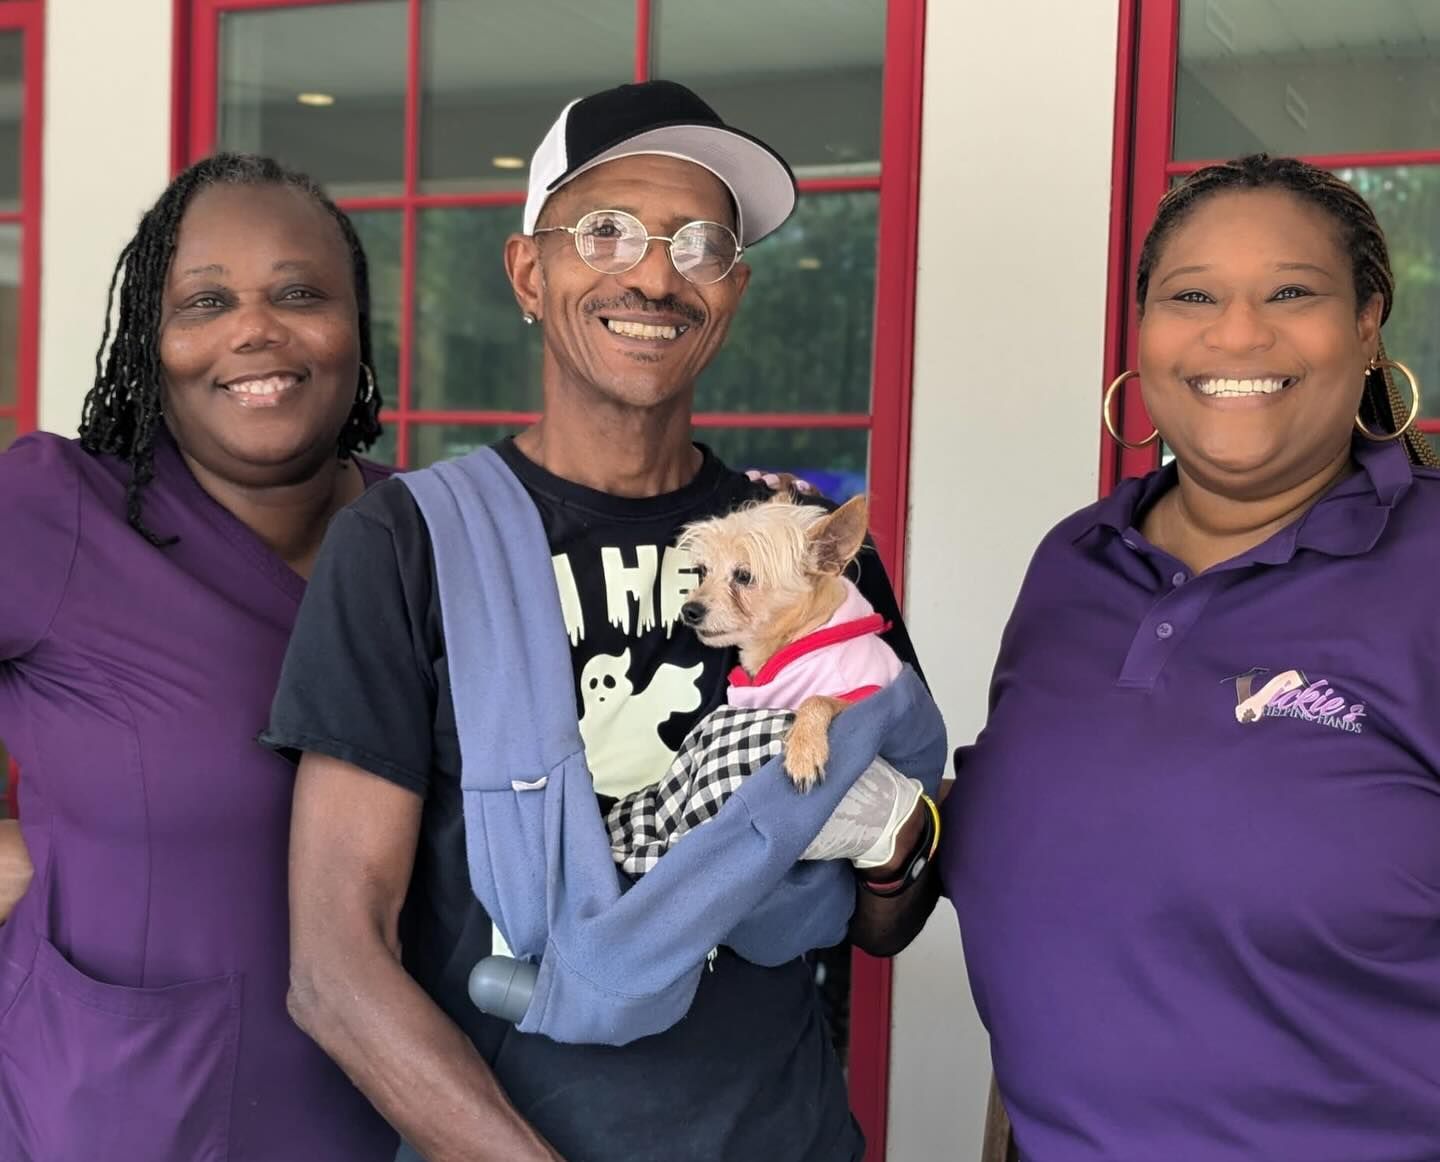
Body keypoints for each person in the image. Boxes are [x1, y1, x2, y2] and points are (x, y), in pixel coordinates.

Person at [267, 80, 941, 1162]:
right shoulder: (408, 543)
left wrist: (897, 844)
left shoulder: (803, 540)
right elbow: (335, 970)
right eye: (607, 230)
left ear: (734, 291)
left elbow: (887, 920)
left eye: (701, 244)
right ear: (530, 272)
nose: (655, 273)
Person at [944, 154, 1440, 1162]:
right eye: (1192, 296)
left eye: (1291, 292)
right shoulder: (1075, 564)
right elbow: (1065, 913)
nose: (1238, 333)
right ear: (1143, 333)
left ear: (1366, 322)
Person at [0, 153, 398, 1161]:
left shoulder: (422, 539)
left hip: (393, 1112)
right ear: (152, 341)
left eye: (300, 293)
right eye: (205, 300)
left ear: (358, 326)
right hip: (123, 1116)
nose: (255, 328)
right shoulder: (60, 515)